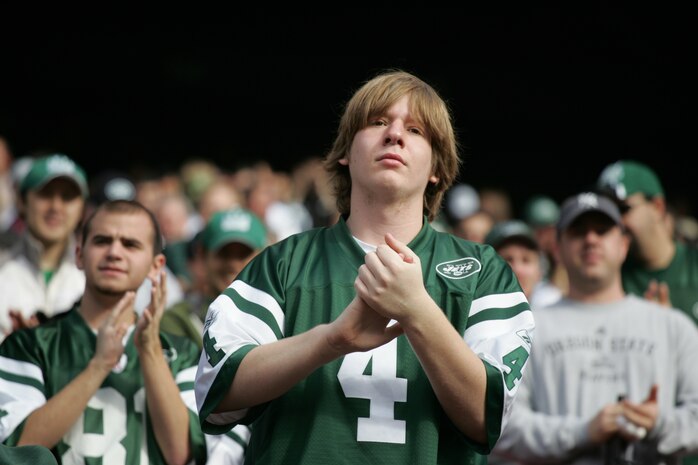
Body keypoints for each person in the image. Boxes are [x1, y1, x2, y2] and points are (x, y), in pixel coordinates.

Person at [195, 69, 535, 464]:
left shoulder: (484, 271)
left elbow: (485, 417)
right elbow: (217, 387)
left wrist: (417, 309)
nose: (394, 134)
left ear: (436, 168)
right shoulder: (282, 263)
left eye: (416, 130)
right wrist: (331, 340)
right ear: (345, 151)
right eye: (377, 122)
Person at [0, 200, 241, 464]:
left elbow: (182, 455)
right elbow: (18, 447)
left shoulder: (182, 353)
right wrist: (99, 366)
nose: (114, 252)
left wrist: (150, 352)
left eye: (130, 244)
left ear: (156, 265)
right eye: (102, 241)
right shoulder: (27, 345)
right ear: (79, 254)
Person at [491, 192, 698, 464]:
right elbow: (502, 427)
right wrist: (581, 432)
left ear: (624, 244)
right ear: (557, 248)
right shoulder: (526, 329)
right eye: (578, 232)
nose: (591, 240)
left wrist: (658, 423)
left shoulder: (673, 326)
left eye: (602, 231)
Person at [597, 160, 698, 323]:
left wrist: (676, 331)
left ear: (657, 207)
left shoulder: (693, 265)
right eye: (607, 213)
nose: (615, 221)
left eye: (623, 209)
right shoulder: (608, 278)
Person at [0, 154, 87, 341]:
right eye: (45, 194)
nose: (56, 206)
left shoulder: (96, 275)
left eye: (68, 197)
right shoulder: (3, 268)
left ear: (82, 209)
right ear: (22, 202)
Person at [161, 207, 268, 349]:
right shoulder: (180, 320)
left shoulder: (281, 316)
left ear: (265, 258)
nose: (233, 264)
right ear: (202, 256)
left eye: (244, 254)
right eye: (224, 253)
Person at [485, 220, 562, 309]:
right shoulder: (470, 316)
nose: (518, 270)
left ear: (540, 272)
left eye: (526, 260)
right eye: (507, 259)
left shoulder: (556, 310)